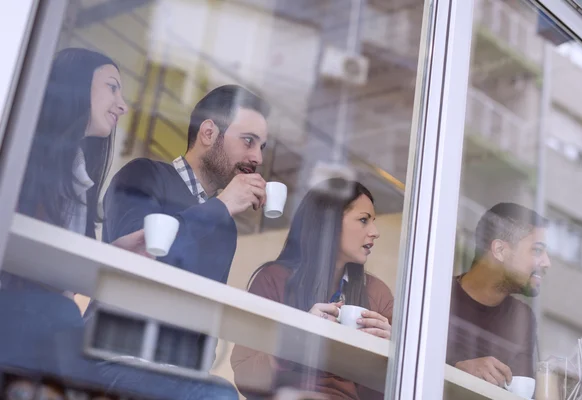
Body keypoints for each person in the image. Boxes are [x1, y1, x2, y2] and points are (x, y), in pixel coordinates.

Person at [2, 48, 237, 399]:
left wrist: (111, 253)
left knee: (217, 390)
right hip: (33, 329)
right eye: (112, 87)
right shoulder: (22, 157)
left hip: (54, 333)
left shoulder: (78, 175)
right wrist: (222, 207)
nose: (123, 105)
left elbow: (65, 278)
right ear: (75, 85)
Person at [231, 178, 394, 400]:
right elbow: (244, 377)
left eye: (373, 221)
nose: (375, 231)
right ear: (329, 223)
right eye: (364, 220)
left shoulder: (377, 293)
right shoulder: (274, 279)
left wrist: (389, 357)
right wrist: (296, 338)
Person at [102, 84, 270, 283]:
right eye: (249, 141)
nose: (258, 158)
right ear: (208, 133)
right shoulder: (142, 175)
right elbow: (134, 259)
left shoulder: (226, 227)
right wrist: (222, 206)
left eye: (262, 147)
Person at [446, 202, 550, 387]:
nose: (546, 263)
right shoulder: (434, 295)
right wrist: (457, 369)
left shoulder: (523, 318)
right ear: (500, 250)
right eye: (537, 250)